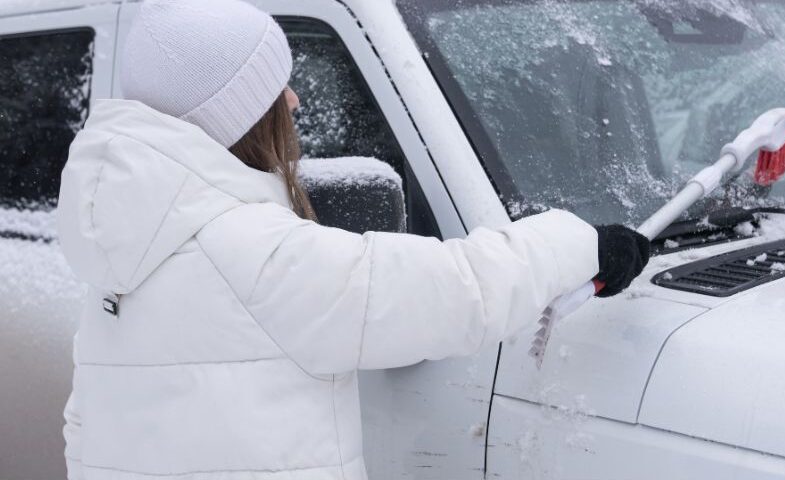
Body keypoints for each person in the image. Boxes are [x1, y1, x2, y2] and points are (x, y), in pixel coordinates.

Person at [56, 1, 650, 479]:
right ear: (239, 116)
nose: (292, 100)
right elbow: (456, 289)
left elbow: (82, 429)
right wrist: (581, 244)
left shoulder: (124, 255)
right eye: (277, 88)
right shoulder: (255, 253)